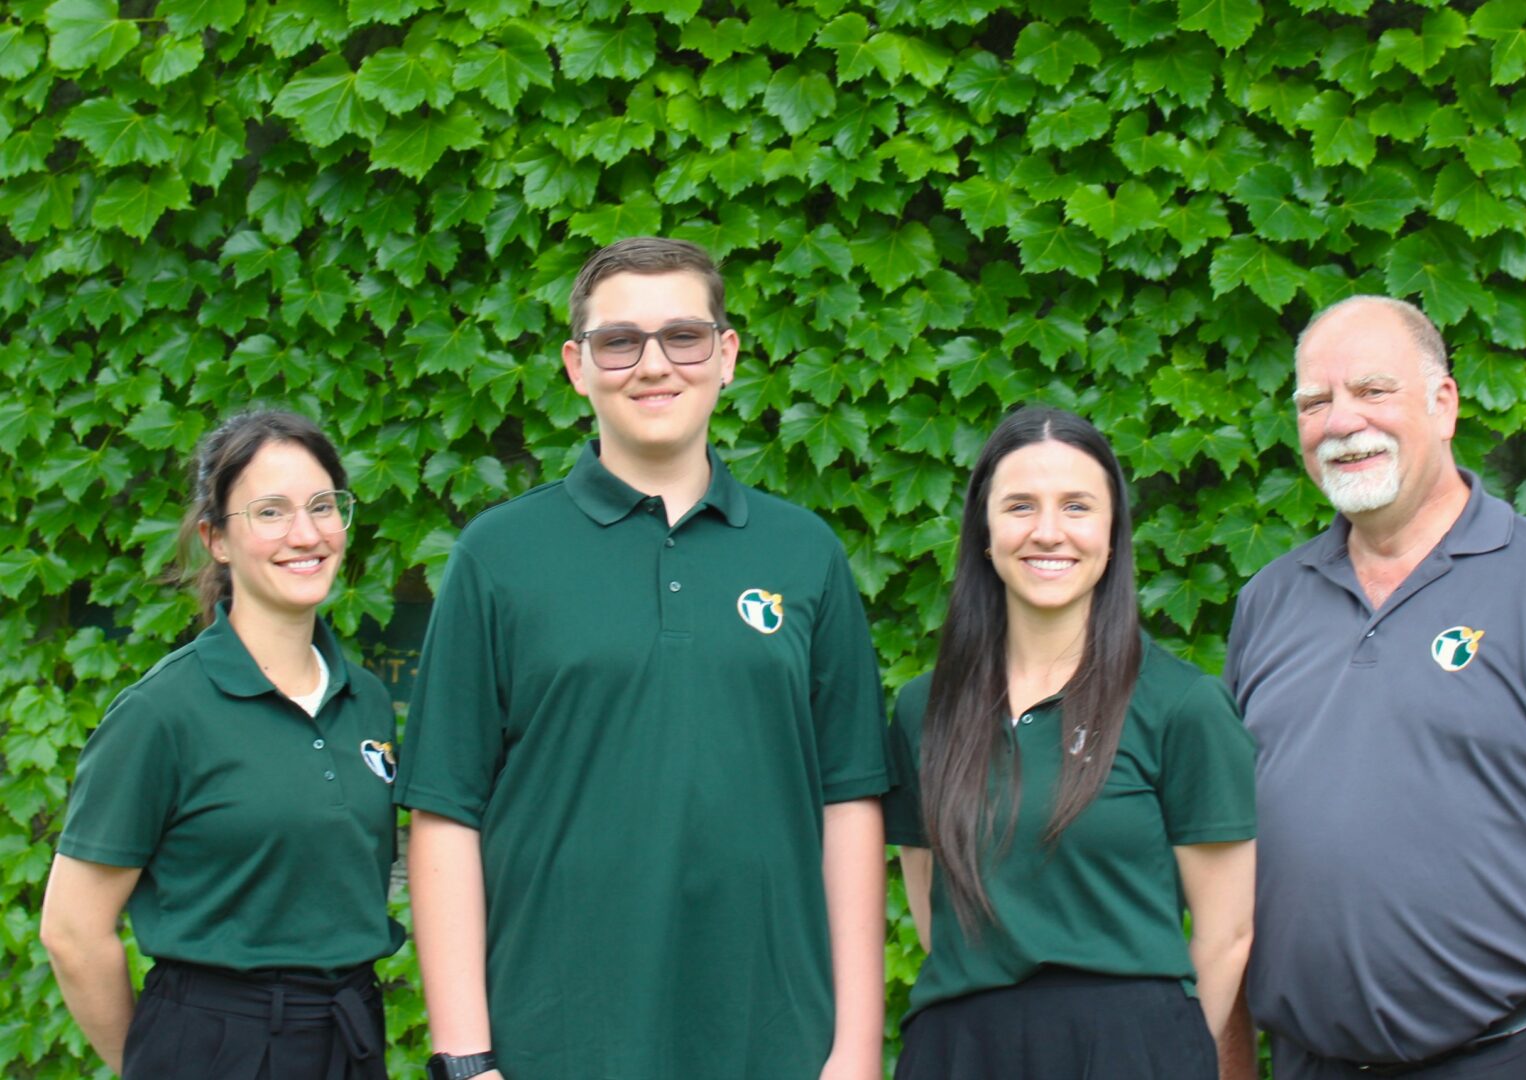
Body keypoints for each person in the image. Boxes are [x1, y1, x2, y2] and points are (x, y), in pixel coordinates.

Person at [394, 237, 890, 1080]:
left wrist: (854, 1051)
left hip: (773, 1042)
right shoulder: (498, 555)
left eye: (683, 337)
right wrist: (466, 1060)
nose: (653, 365)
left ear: (726, 356)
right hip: (554, 1041)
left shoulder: (803, 554)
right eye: (619, 341)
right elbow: (446, 812)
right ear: (576, 366)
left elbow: (849, 807)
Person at [1220, 296, 1526, 1079]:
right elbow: (1222, 864)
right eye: (1313, 402)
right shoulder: (1267, 602)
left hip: (1496, 1060)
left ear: (1444, 404)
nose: (1340, 421)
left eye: (1371, 390)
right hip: (1304, 1063)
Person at [883, 406, 1257, 1080]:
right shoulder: (923, 710)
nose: (1047, 532)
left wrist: (1155, 1057)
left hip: (1129, 1049)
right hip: (959, 1051)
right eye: (1020, 506)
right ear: (984, 532)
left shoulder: (1181, 706)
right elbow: (931, 896)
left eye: (1076, 507)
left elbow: (1226, 934)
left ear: (1112, 533)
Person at [41, 410, 402, 1079]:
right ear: (216, 539)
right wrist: (161, 1062)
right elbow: (71, 931)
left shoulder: (367, 701)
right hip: (214, 1044)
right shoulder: (161, 714)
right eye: (270, 511)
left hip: (348, 1032)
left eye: (323, 506)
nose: (307, 533)